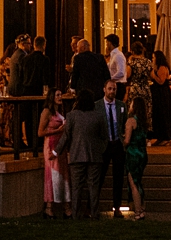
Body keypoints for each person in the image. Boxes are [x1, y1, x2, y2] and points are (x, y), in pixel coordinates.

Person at [60, 89, 107, 219]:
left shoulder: (72, 116)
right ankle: (94, 213)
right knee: (93, 187)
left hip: (76, 155)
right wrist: (100, 150)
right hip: (95, 156)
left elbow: (66, 136)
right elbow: (104, 137)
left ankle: (75, 214)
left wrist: (56, 151)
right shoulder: (98, 116)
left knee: (76, 187)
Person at [100, 80, 130, 215]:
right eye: (110, 89)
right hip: (104, 145)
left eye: (114, 89)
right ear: (104, 90)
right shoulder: (97, 106)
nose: (112, 91)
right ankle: (92, 206)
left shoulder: (121, 105)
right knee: (99, 176)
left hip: (117, 143)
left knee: (118, 176)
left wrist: (124, 139)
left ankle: (117, 207)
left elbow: (125, 123)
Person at [39, 96, 70, 217]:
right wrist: (58, 130)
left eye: (60, 94)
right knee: (53, 174)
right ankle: (49, 206)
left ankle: (65, 206)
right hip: (51, 145)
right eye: (57, 95)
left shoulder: (59, 112)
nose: (60, 97)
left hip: (60, 146)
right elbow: (40, 132)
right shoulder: (46, 112)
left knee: (63, 173)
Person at [123, 97, 150, 219]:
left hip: (133, 153)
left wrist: (122, 141)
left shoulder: (130, 121)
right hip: (143, 153)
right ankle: (142, 207)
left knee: (133, 182)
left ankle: (138, 210)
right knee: (139, 181)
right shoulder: (143, 122)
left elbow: (127, 140)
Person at [126, 40, 154, 128]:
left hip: (135, 87)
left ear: (132, 51)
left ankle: (134, 128)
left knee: (134, 109)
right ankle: (146, 130)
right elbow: (152, 76)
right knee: (146, 109)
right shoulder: (148, 62)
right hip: (145, 87)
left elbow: (128, 74)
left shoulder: (132, 62)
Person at [150, 50, 171, 144]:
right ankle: (160, 137)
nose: (152, 59)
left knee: (163, 114)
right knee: (158, 115)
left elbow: (161, 81)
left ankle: (165, 137)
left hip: (162, 94)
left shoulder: (161, 68)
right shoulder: (158, 67)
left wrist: (153, 76)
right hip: (158, 93)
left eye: (153, 57)